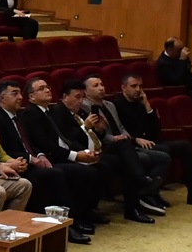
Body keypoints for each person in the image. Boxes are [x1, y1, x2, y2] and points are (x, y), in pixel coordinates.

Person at [0, 79, 91, 237]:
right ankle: (68, 223)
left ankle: (71, 221)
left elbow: (29, 142)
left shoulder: (17, 116)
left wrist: (40, 154)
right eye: (14, 93)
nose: (19, 97)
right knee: (55, 174)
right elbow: (4, 150)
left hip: (30, 161)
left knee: (59, 172)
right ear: (3, 98)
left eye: (19, 93)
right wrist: (31, 158)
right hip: (17, 165)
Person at [54, 80, 158, 224]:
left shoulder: (82, 112)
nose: (80, 101)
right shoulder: (59, 112)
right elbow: (68, 139)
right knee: (121, 160)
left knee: (125, 149)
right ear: (65, 97)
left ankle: (133, 207)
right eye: (77, 97)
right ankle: (140, 179)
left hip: (97, 149)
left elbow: (95, 136)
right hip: (80, 154)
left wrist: (99, 130)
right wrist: (86, 126)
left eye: (82, 97)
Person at [113, 74, 192, 207]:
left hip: (151, 141)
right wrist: (135, 140)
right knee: (164, 151)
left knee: (186, 147)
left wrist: (147, 106)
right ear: (124, 88)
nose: (138, 89)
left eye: (140, 86)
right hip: (133, 145)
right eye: (134, 86)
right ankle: (150, 192)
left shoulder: (140, 104)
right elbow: (117, 131)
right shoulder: (117, 105)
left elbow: (156, 129)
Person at [18, 76, 110, 228]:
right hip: (51, 158)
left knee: (99, 167)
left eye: (47, 87)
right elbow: (45, 144)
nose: (47, 90)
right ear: (31, 97)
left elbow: (64, 139)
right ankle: (75, 219)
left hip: (61, 153)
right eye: (41, 89)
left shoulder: (47, 111)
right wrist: (75, 155)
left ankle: (87, 211)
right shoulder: (31, 114)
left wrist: (83, 151)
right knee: (86, 172)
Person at [83, 76, 169, 219]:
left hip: (124, 144)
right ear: (86, 91)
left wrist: (126, 137)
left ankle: (146, 192)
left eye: (102, 84)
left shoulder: (110, 104)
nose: (101, 88)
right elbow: (96, 133)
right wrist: (115, 139)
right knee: (142, 158)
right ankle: (142, 184)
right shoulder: (86, 107)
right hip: (106, 146)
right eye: (95, 85)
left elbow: (121, 127)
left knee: (163, 156)